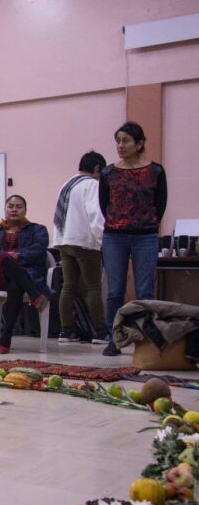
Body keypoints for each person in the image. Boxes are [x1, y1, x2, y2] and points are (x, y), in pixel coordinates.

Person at [99, 121, 168, 357]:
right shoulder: (108, 172)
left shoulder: (156, 171)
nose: (120, 145)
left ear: (139, 144)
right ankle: (114, 338)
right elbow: (104, 205)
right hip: (114, 236)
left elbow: (160, 205)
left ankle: (146, 338)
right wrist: (118, 224)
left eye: (126, 140)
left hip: (146, 236)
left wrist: (145, 224)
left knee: (145, 291)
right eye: (118, 140)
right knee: (115, 290)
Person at [0, 195, 51, 354]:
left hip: (26, 275)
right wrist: (5, 257)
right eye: (10, 206)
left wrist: (19, 256)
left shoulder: (38, 229)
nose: (14, 209)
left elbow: (39, 249)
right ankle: (35, 294)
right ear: (5, 209)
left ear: (25, 210)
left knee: (15, 286)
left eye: (18, 206)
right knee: (3, 257)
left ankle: (6, 336)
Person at [52, 151, 110, 345]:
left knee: (68, 285)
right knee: (93, 286)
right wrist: (104, 239)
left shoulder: (66, 184)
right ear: (97, 169)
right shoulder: (92, 184)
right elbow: (96, 213)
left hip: (64, 240)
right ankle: (100, 332)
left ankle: (66, 331)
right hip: (85, 241)